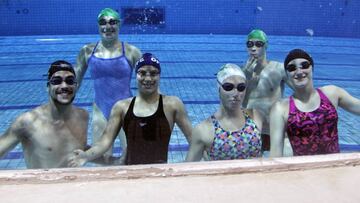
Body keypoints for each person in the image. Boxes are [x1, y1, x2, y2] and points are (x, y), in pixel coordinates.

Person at [69, 53, 192, 166]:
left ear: (159, 76)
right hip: (130, 174)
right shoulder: (122, 107)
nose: (148, 79)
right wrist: (86, 156)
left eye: (153, 73)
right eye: (142, 73)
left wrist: (188, 167)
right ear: (136, 75)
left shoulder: (173, 104)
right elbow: (105, 142)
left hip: (159, 174)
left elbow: (193, 139)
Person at [75, 8, 142, 163]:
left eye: (112, 22)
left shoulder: (132, 52)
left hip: (127, 110)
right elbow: (75, 82)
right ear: (98, 25)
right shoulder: (86, 51)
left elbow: (148, 84)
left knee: (132, 157)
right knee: (100, 159)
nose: (107, 26)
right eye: (103, 22)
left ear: (119, 25)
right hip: (100, 110)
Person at [270, 49, 360, 157]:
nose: (299, 72)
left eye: (304, 65)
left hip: (335, 169)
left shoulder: (332, 94)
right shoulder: (280, 109)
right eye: (292, 68)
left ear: (312, 67)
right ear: (287, 74)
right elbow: (275, 155)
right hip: (303, 172)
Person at [0, 60, 88, 169]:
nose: (64, 86)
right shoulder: (28, 121)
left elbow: (81, 151)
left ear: (76, 86)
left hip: (76, 184)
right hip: (43, 185)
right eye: (57, 81)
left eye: (70, 81)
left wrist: (112, 161)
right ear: (48, 87)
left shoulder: (83, 116)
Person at [186, 64, 263, 161]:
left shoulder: (256, 116)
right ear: (219, 89)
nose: (235, 93)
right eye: (228, 87)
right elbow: (188, 169)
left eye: (241, 87)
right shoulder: (203, 130)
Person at [241, 29, 293, 153]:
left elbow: (300, 91)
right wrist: (246, 78)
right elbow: (236, 104)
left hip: (274, 129)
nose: (253, 48)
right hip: (252, 130)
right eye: (250, 44)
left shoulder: (279, 68)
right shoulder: (241, 73)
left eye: (258, 44)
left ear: (266, 46)